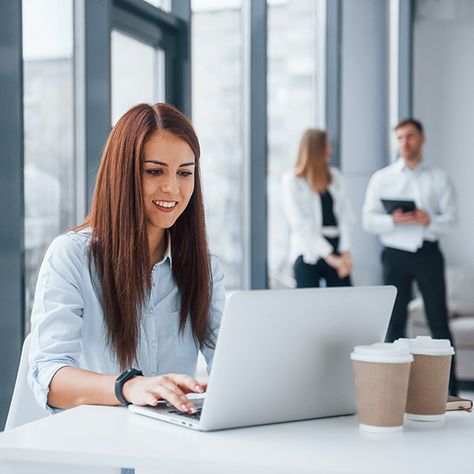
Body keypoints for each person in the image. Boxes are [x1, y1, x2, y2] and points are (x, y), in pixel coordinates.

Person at [28, 103, 226, 416]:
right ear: (123, 174)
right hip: (98, 446)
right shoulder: (71, 257)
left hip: (169, 448)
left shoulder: (205, 267)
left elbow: (229, 364)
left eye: (184, 173)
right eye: (154, 171)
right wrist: (128, 386)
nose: (172, 188)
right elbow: (48, 376)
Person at [362, 118, 458, 395]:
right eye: (400, 138)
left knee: (438, 319)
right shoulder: (382, 178)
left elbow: (452, 221)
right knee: (393, 321)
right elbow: (368, 221)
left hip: (428, 252)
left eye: (410, 137)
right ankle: (391, 391)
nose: (405, 143)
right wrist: (393, 220)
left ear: (422, 139)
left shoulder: (439, 178)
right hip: (394, 254)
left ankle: (447, 391)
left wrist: (428, 220)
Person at [282, 128, 354, 288]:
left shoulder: (335, 177)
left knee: (345, 304)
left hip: (337, 247)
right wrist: (331, 258)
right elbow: (301, 225)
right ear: (316, 149)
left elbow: (346, 216)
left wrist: (345, 253)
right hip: (307, 250)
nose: (331, 150)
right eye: (327, 145)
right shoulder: (292, 181)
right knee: (309, 307)